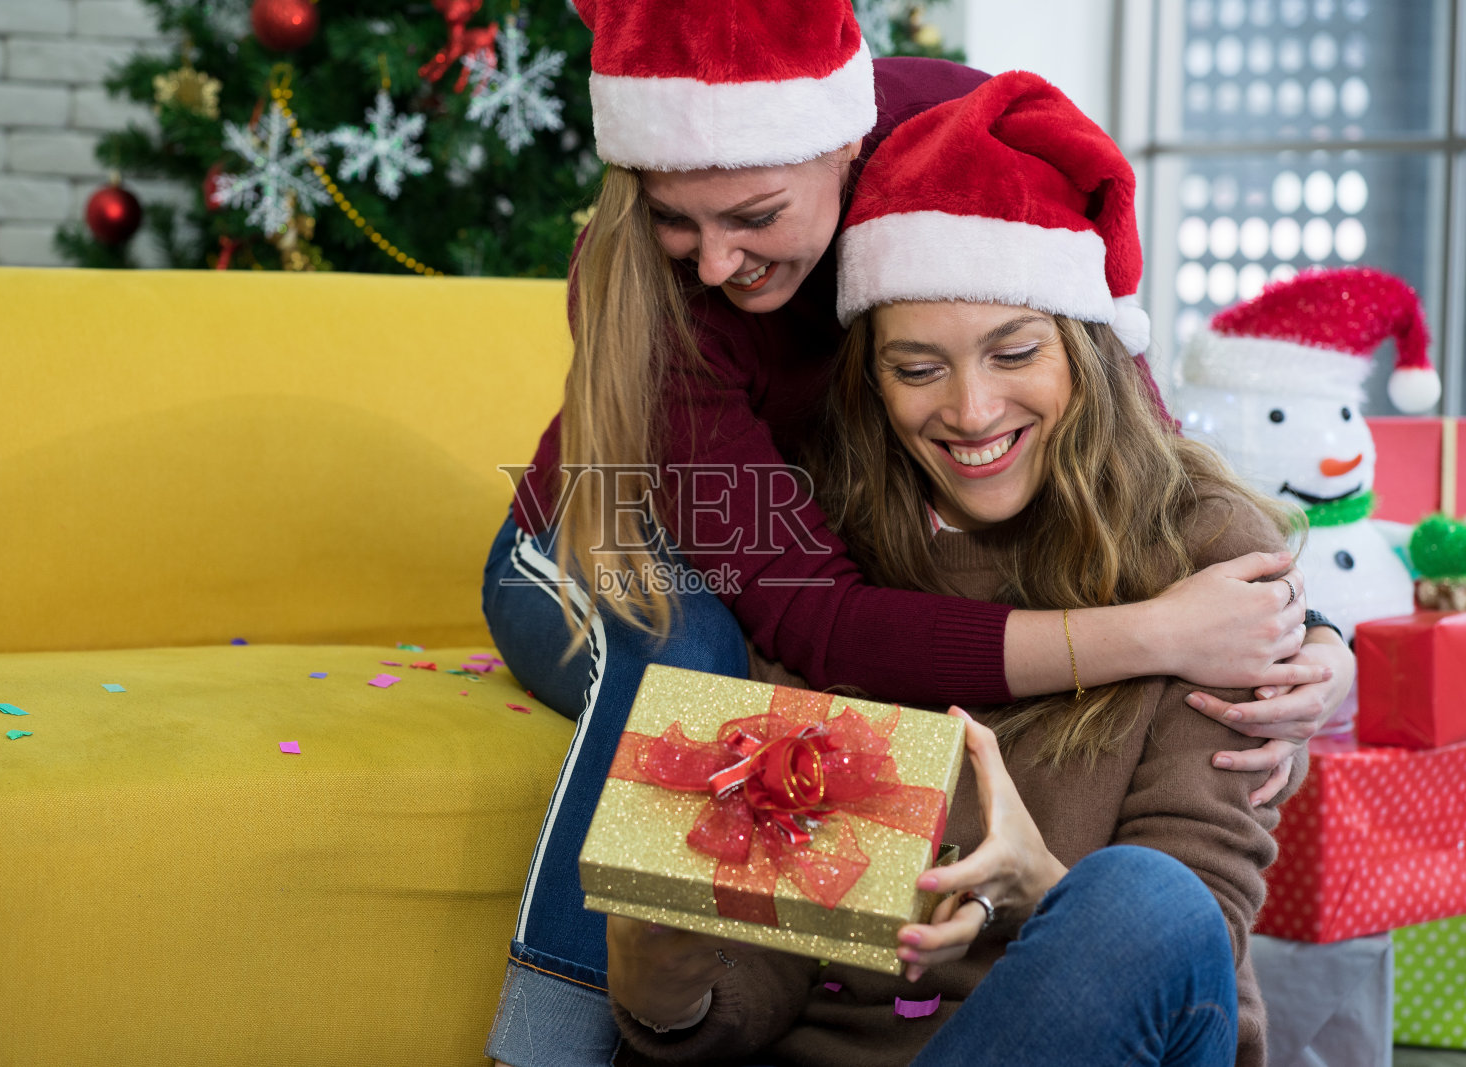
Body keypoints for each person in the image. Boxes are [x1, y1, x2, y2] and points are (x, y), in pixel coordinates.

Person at [483, 3, 1352, 1063]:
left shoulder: (966, 141)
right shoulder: (790, 502)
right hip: (677, 539)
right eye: (917, 367)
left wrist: (1306, 640)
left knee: (1140, 900)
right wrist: (661, 956)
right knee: (694, 659)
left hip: (1087, 994)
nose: (714, 264)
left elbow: (1153, 486)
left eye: (754, 213)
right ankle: (541, 1042)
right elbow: (821, 622)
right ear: (870, 376)